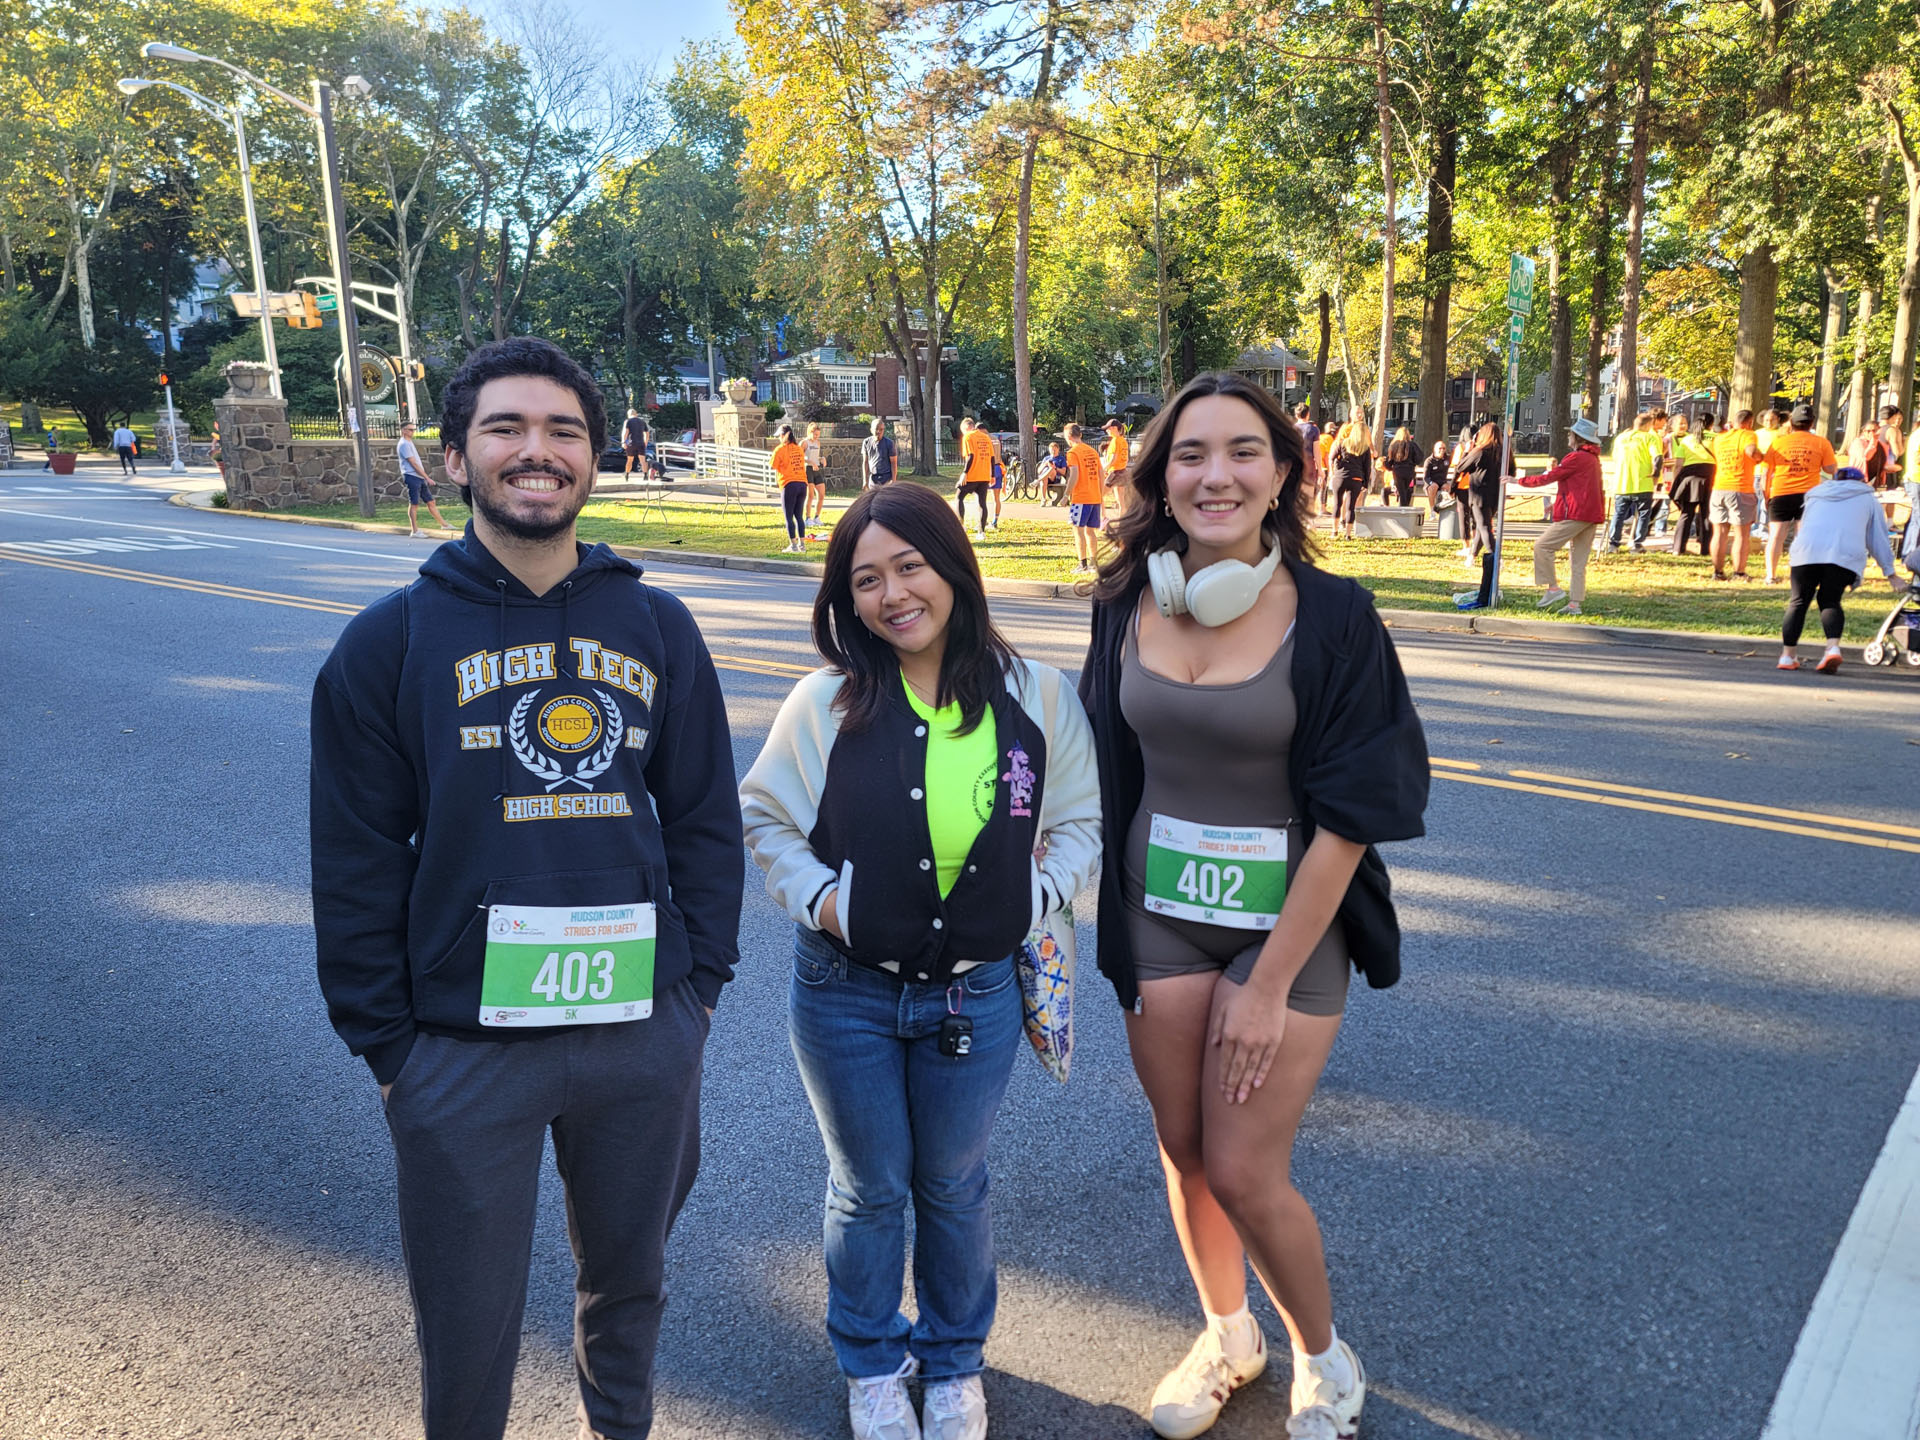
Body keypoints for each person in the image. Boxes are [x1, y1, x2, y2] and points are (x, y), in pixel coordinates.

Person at [309, 336, 742, 1440]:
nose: (536, 450)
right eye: (505, 428)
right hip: (463, 1053)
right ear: (456, 458)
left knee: (631, 1285)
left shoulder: (657, 626)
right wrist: (393, 1051)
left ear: (595, 458)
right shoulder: (389, 643)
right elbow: (356, 859)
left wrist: (697, 994)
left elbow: (703, 818)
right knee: (467, 1321)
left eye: (564, 431)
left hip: (640, 1034)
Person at [1076, 371, 1429, 1440]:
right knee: (1186, 1150)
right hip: (1156, 915)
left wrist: (1268, 984)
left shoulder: (1336, 618)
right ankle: (1230, 1338)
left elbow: (1355, 815)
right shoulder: (1124, 600)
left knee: (1243, 1167)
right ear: (1161, 477)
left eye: (1242, 452)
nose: (1214, 475)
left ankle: (1325, 1358)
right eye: (1190, 454)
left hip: (1290, 930)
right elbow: (1087, 755)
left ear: (1281, 476)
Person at [740, 482, 1101, 1440]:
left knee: (953, 1184)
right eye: (866, 580)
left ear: (953, 568)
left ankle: (952, 1362)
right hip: (843, 993)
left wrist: (1034, 899)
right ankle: (870, 1362)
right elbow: (765, 817)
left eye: (910, 567)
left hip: (977, 996)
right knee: (867, 1189)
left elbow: (1079, 821)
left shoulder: (1037, 696)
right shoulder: (826, 704)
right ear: (846, 599)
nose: (892, 594)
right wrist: (827, 902)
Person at [1777, 464, 1903, 673]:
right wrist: (1890, 572)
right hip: (1843, 555)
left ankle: (1787, 656)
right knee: (1830, 600)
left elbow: (1805, 526)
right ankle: (1832, 648)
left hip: (1806, 553)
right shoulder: (1868, 499)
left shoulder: (1815, 495)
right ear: (1862, 482)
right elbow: (1877, 538)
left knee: (1798, 602)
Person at [1517, 417, 1606, 615]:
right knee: (1578, 562)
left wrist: (1519, 481)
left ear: (1578, 438)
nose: (1568, 436)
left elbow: (1550, 476)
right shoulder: (1593, 459)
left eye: (1571, 434)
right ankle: (1575, 604)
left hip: (1576, 513)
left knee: (1542, 546)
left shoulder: (1576, 458)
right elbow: (1582, 487)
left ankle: (1553, 588)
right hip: (1591, 514)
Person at [1763, 404, 1837, 585]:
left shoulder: (1778, 443)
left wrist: (1766, 495)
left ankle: (1770, 575)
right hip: (1808, 495)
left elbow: (1766, 473)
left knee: (1775, 536)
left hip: (1780, 493)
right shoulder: (1822, 443)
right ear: (1812, 423)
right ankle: (1800, 575)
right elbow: (1830, 469)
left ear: (1792, 423)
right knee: (1803, 536)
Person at [1710, 410, 1761, 581]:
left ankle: (1717, 572)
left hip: (1719, 488)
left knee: (1719, 533)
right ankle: (1739, 573)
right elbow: (1751, 451)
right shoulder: (1748, 435)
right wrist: (1760, 457)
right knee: (1742, 534)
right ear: (1749, 422)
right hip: (1740, 488)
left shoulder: (1720, 438)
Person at [1458, 421, 1511, 564]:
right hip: (1496, 494)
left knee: (1484, 527)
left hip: (1479, 494)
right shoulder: (1503, 453)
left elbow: (1461, 467)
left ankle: (1496, 557)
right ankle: (1472, 556)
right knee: (1483, 525)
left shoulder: (1479, 452)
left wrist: (1467, 451)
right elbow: (1511, 470)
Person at [1606, 413, 1658, 551]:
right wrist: (1656, 474)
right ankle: (1636, 544)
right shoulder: (1649, 437)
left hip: (1622, 483)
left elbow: (1615, 457)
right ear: (1648, 425)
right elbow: (1657, 457)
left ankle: (1613, 544)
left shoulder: (1621, 438)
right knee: (1643, 515)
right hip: (1643, 482)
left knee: (1618, 514)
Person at [1667, 414, 1715, 557]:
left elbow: (1678, 465)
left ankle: (1678, 548)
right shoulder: (1717, 438)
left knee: (1686, 513)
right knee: (1707, 514)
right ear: (1711, 425)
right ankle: (1706, 549)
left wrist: (1676, 482)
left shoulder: (1687, 439)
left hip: (1689, 478)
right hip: (1710, 477)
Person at [397, 421, 451, 536]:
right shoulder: (404, 444)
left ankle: (444, 525)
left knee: (431, 501)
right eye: (410, 430)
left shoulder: (409, 442)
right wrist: (427, 478)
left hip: (419, 477)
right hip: (411, 476)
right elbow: (413, 463)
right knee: (414, 504)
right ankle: (415, 531)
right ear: (403, 430)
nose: (413, 432)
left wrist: (424, 477)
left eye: (413, 429)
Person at [1066, 422, 1105, 574]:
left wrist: (1066, 494)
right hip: (1095, 496)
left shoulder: (1073, 453)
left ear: (1069, 437)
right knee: (1090, 531)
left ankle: (1082, 564)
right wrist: (1100, 494)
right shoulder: (1092, 451)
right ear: (1080, 435)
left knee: (1078, 531)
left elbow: (1074, 475)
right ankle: (1094, 563)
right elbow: (1101, 474)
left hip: (1081, 498)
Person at [1327, 422, 1373, 540]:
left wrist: (1333, 471)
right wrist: (1365, 483)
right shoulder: (1365, 448)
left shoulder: (1343, 443)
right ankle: (1348, 534)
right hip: (1356, 478)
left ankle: (1334, 531)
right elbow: (1367, 467)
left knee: (1337, 504)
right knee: (1350, 506)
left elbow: (1331, 458)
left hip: (1340, 476)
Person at [774, 423, 810, 553]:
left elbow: (774, 466)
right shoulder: (798, 449)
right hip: (802, 484)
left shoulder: (779, 449)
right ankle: (802, 545)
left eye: (779, 436)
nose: (778, 438)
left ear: (783, 436)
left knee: (788, 516)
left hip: (789, 484)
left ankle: (793, 546)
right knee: (799, 515)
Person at [956, 417, 994, 536]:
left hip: (972, 475)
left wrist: (964, 473)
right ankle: (981, 532)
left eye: (963, 431)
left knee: (959, 497)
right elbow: (992, 458)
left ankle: (961, 526)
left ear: (966, 427)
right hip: (984, 475)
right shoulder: (986, 437)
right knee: (982, 503)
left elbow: (970, 456)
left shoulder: (968, 437)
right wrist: (992, 475)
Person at [1104, 418, 1133, 514]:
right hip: (1123, 471)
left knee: (1099, 495)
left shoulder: (1115, 441)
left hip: (1115, 472)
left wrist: (1104, 468)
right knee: (1121, 501)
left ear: (1114, 428)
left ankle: (1102, 517)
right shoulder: (1123, 440)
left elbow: (1113, 458)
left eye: (1108, 428)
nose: (1107, 431)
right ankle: (1122, 519)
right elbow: (1126, 458)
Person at [1383, 427, 1417, 508]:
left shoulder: (1394, 445)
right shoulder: (1412, 445)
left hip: (1398, 472)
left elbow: (1388, 462)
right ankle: (1404, 508)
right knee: (1405, 490)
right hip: (1409, 472)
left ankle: (1403, 508)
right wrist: (1412, 464)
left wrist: (1391, 468)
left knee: (1402, 492)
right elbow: (1419, 457)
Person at [806, 421, 830, 531]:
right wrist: (810, 462)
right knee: (810, 495)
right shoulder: (804, 443)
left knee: (821, 494)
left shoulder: (817, 443)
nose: (817, 437)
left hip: (817, 469)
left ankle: (817, 517)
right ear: (810, 432)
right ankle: (807, 518)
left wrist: (822, 459)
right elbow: (799, 457)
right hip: (808, 469)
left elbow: (816, 456)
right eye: (815, 434)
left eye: (818, 435)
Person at [1295, 404, 1321, 497]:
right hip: (1309, 465)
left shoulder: (1291, 428)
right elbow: (1316, 452)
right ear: (1308, 414)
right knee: (1308, 495)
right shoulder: (1313, 429)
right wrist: (1320, 470)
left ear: (1296, 415)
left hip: (1294, 465)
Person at [863, 418, 897, 488]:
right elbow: (865, 462)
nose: (878, 431)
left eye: (881, 429)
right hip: (873, 478)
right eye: (876, 429)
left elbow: (893, 463)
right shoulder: (866, 442)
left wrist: (893, 480)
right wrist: (865, 481)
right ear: (871, 430)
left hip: (886, 478)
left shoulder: (889, 443)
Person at [1420, 440, 1450, 519]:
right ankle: (1432, 511)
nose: (1442, 450)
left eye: (1444, 448)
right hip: (1431, 484)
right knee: (1434, 486)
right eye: (1440, 448)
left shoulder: (1447, 458)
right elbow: (1425, 477)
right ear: (1434, 449)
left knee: (1449, 487)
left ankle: (1446, 512)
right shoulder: (1429, 461)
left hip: (1442, 483)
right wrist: (1431, 483)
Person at [622, 406, 651, 478]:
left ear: (628, 415)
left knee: (630, 459)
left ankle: (627, 475)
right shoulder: (642, 422)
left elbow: (625, 432)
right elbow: (647, 434)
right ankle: (645, 475)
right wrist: (645, 442)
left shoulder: (628, 421)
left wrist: (623, 442)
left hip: (631, 443)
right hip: (641, 443)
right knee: (642, 460)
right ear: (636, 414)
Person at [1041, 437, 1070, 505]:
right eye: (1052, 450)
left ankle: (1038, 481)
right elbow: (1039, 471)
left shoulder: (1061, 459)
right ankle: (1043, 499)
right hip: (1046, 478)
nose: (1053, 451)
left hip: (1056, 478)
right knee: (1044, 480)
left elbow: (1063, 472)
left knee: (1052, 469)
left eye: (1055, 450)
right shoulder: (1046, 458)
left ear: (1058, 450)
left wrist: (1055, 468)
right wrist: (1045, 464)